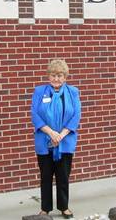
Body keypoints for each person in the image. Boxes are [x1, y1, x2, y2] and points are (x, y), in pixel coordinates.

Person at [31, 59, 81, 219]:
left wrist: (61, 135)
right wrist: (51, 133)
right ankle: (45, 208)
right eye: (53, 75)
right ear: (48, 76)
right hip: (44, 141)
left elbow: (76, 115)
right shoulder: (39, 91)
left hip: (65, 141)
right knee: (45, 176)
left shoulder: (73, 92)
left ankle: (64, 207)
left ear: (65, 76)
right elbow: (35, 114)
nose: (56, 79)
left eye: (59, 75)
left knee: (63, 176)